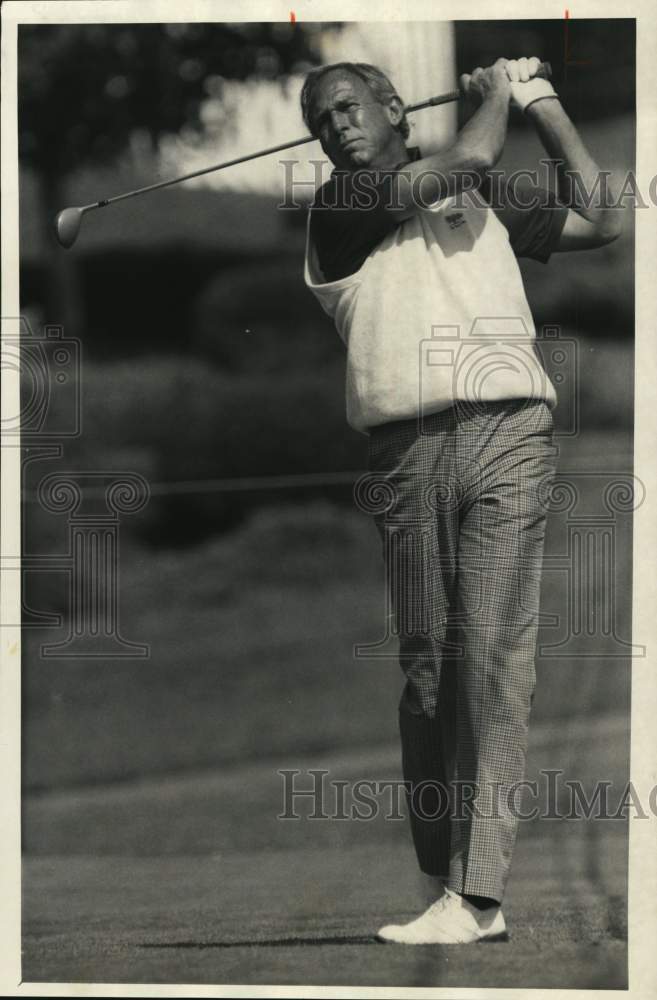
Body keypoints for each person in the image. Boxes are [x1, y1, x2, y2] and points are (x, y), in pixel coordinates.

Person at [300, 56, 620, 944]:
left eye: (348, 109)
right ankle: (448, 879)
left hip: (510, 430)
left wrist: (543, 103)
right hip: (403, 448)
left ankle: (476, 896)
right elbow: (465, 161)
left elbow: (603, 217)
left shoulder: (474, 201)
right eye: (320, 122)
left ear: (394, 106)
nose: (335, 129)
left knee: (491, 649)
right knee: (428, 671)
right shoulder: (340, 206)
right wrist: (491, 102)